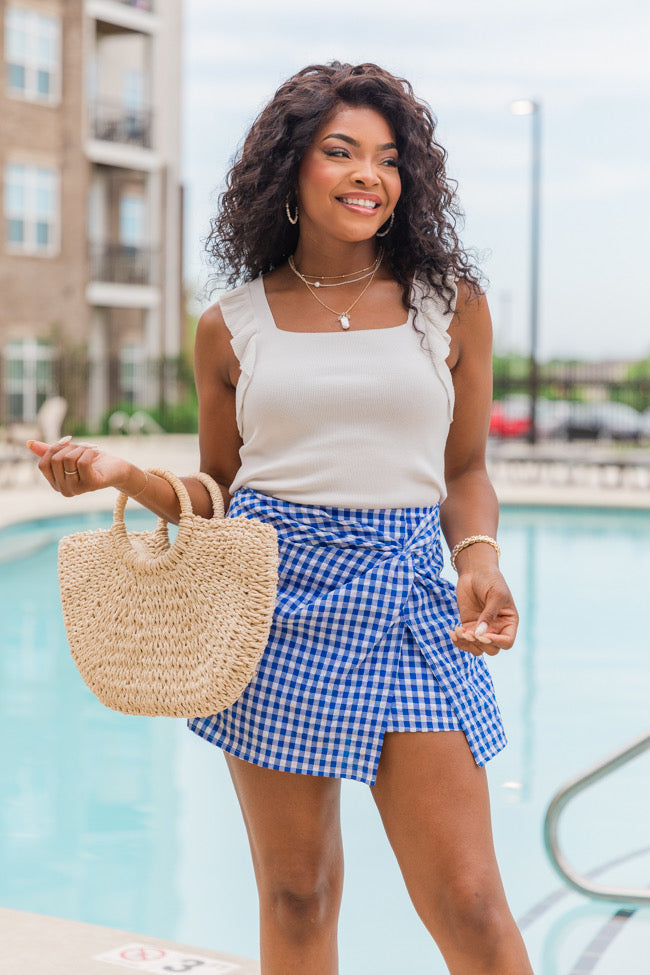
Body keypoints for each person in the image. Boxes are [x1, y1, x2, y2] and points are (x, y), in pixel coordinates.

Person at [30, 62, 533, 975]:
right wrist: (122, 472)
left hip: (413, 603)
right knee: (297, 896)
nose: (368, 175)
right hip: (273, 607)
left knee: (470, 901)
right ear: (290, 170)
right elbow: (220, 490)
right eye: (341, 151)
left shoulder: (450, 308)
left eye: (388, 159)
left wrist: (481, 555)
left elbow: (465, 469)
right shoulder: (231, 323)